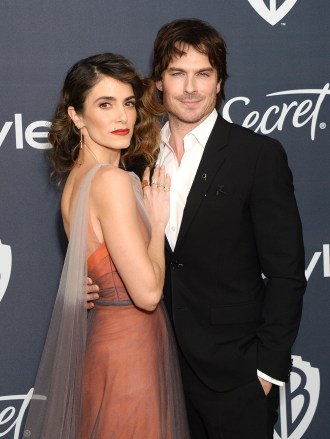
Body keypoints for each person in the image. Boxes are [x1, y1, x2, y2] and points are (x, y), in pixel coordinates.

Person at [87, 19, 306, 438]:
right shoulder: (136, 160)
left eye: (203, 74)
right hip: (156, 368)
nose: (190, 87)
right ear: (158, 83)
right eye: (177, 73)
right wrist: (91, 283)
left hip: (236, 374)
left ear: (220, 81)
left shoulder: (257, 156)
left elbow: (287, 274)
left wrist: (266, 372)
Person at [24, 53, 189, 439]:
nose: (122, 117)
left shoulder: (75, 184)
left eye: (128, 103)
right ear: (77, 116)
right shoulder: (111, 183)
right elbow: (147, 294)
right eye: (105, 104)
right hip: (129, 349)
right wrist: (158, 222)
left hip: (104, 342)